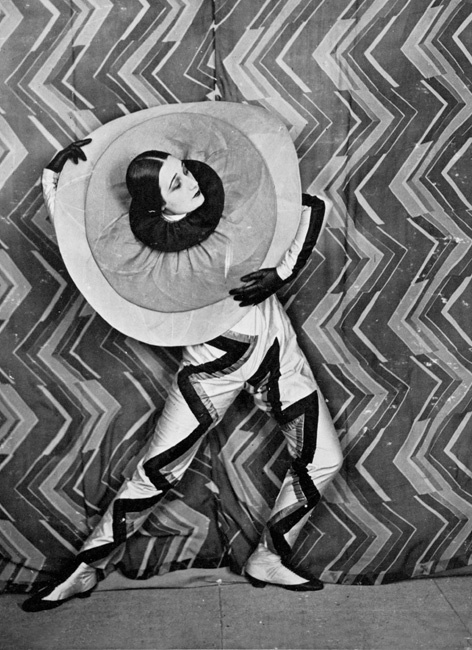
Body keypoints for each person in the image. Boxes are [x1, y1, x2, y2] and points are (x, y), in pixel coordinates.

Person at [22, 138, 343, 612]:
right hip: (209, 371)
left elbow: (313, 204)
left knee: (324, 458)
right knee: (155, 472)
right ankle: (85, 569)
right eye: (176, 183)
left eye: (186, 171)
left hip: (278, 354)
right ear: (157, 203)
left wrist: (281, 274)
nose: (191, 182)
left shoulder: (232, 205)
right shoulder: (141, 251)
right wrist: (52, 180)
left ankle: (269, 556)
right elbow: (83, 251)